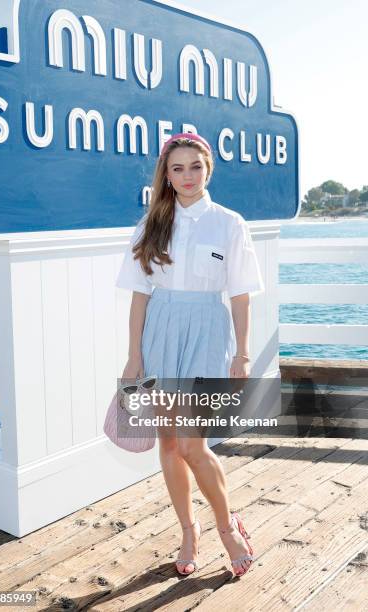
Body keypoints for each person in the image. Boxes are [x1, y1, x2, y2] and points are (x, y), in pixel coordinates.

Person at [115, 133, 265, 578]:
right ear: (166, 174)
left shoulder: (229, 223)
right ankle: (188, 529)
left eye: (194, 167)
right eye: (176, 168)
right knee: (168, 442)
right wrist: (133, 357)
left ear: (208, 169)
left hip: (206, 331)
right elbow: (140, 297)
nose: (186, 176)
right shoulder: (151, 225)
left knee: (192, 444)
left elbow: (240, 295)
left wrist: (242, 354)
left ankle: (226, 526)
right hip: (160, 329)